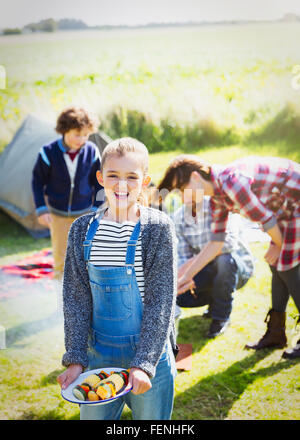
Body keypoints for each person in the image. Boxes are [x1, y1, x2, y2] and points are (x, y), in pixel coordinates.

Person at [57, 137, 178, 420]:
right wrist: (75, 358)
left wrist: (144, 363)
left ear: (145, 181)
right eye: (113, 175)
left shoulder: (158, 229)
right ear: (100, 178)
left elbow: (161, 302)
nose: (121, 184)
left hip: (150, 356)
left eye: (131, 177)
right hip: (98, 357)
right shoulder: (81, 230)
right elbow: (75, 299)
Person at [157, 154, 300, 359]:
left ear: (196, 177)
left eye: (181, 188)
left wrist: (279, 244)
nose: (181, 196)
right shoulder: (218, 198)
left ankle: (278, 332)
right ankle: (276, 332)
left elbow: (265, 218)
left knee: (287, 267)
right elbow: (216, 244)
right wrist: (183, 278)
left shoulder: (231, 182)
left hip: (296, 201)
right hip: (284, 209)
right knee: (278, 266)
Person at [32, 106, 104, 279]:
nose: (82, 139)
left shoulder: (92, 151)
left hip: (85, 214)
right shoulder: (48, 153)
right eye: (77, 135)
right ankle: (61, 300)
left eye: (86, 135)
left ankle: (86, 298)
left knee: (86, 257)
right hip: (58, 215)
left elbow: (99, 182)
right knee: (61, 259)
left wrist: (97, 208)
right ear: (64, 130)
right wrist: (41, 208)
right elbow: (37, 182)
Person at [169, 194, 254, 338]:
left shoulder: (222, 205)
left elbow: (227, 245)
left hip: (237, 267)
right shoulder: (178, 217)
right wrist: (181, 280)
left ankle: (221, 317)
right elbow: (183, 258)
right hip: (206, 269)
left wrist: (201, 258)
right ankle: (215, 301)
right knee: (180, 294)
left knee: (224, 260)